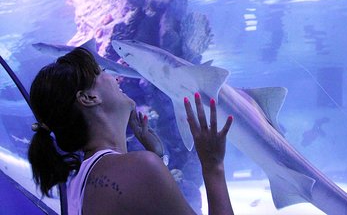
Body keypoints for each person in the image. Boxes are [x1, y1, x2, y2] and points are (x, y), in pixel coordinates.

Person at [28, 47, 234, 215]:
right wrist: (213, 165)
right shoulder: (137, 168)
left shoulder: (77, 182)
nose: (116, 78)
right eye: (102, 72)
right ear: (89, 98)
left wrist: (157, 157)